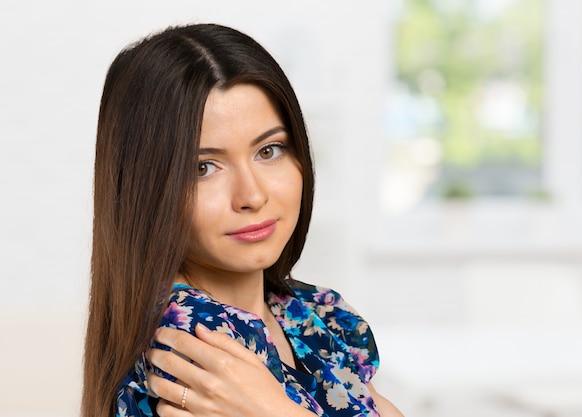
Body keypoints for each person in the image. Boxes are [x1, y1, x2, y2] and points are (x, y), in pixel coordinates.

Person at [82, 23, 404, 417]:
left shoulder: (309, 316)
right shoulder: (190, 348)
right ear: (144, 187)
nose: (252, 195)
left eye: (269, 150)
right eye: (202, 168)